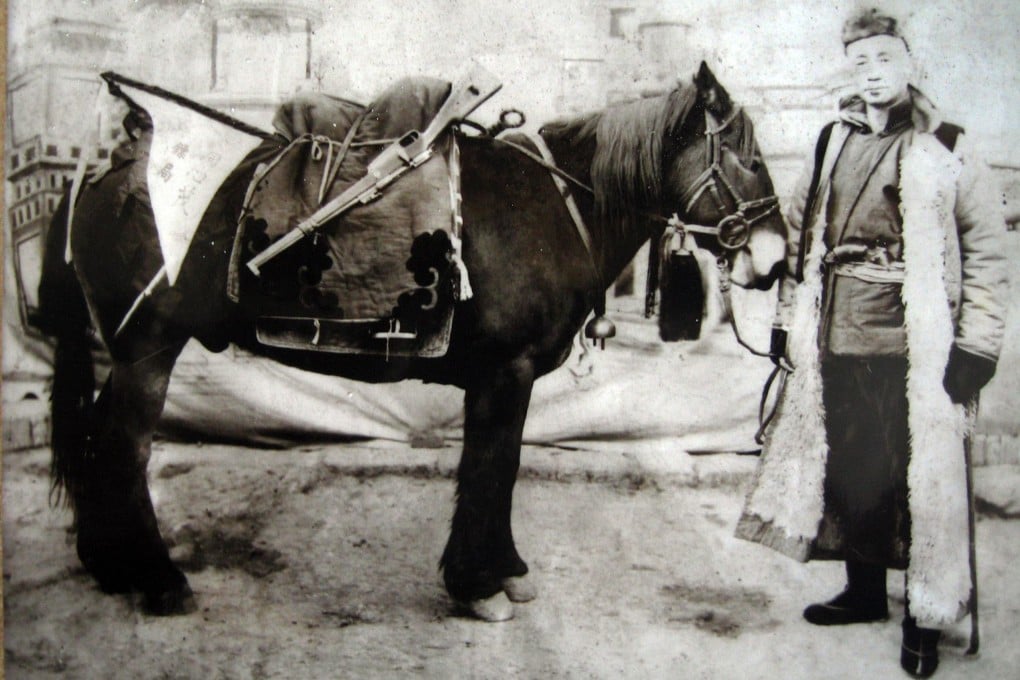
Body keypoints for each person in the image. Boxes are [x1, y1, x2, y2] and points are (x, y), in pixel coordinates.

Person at [735, 7, 1008, 678]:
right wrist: (781, 316)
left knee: (920, 479)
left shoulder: (948, 144)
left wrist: (976, 349)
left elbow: (988, 255)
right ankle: (863, 593)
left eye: (885, 60)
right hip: (838, 335)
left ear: (911, 66)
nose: (873, 74)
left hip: (921, 346)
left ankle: (924, 615)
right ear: (847, 71)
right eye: (860, 63)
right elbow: (798, 236)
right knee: (853, 469)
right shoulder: (831, 141)